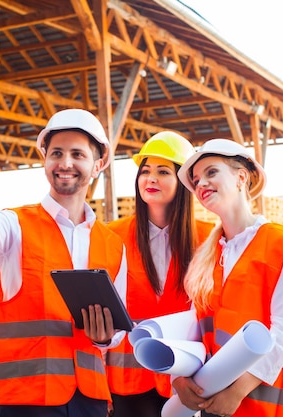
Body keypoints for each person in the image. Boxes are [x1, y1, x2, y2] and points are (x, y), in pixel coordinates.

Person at [0, 108, 128, 417]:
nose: (65, 163)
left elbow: (118, 330)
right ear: (45, 160)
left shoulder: (112, 244)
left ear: (98, 165)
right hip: (25, 401)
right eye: (56, 153)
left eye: (77, 154)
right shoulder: (14, 225)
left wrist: (106, 337)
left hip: (89, 400)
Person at [173, 138, 283, 417]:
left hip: (258, 398)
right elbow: (197, 326)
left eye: (211, 172)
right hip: (213, 394)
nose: (201, 184)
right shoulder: (208, 255)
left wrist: (235, 393)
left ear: (241, 177)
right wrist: (178, 379)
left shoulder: (281, 243)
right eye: (196, 181)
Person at [105, 131, 214, 417]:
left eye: (163, 171)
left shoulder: (209, 239)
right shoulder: (111, 236)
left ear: (184, 181)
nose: (150, 179)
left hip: (187, 377)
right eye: (145, 171)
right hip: (128, 380)